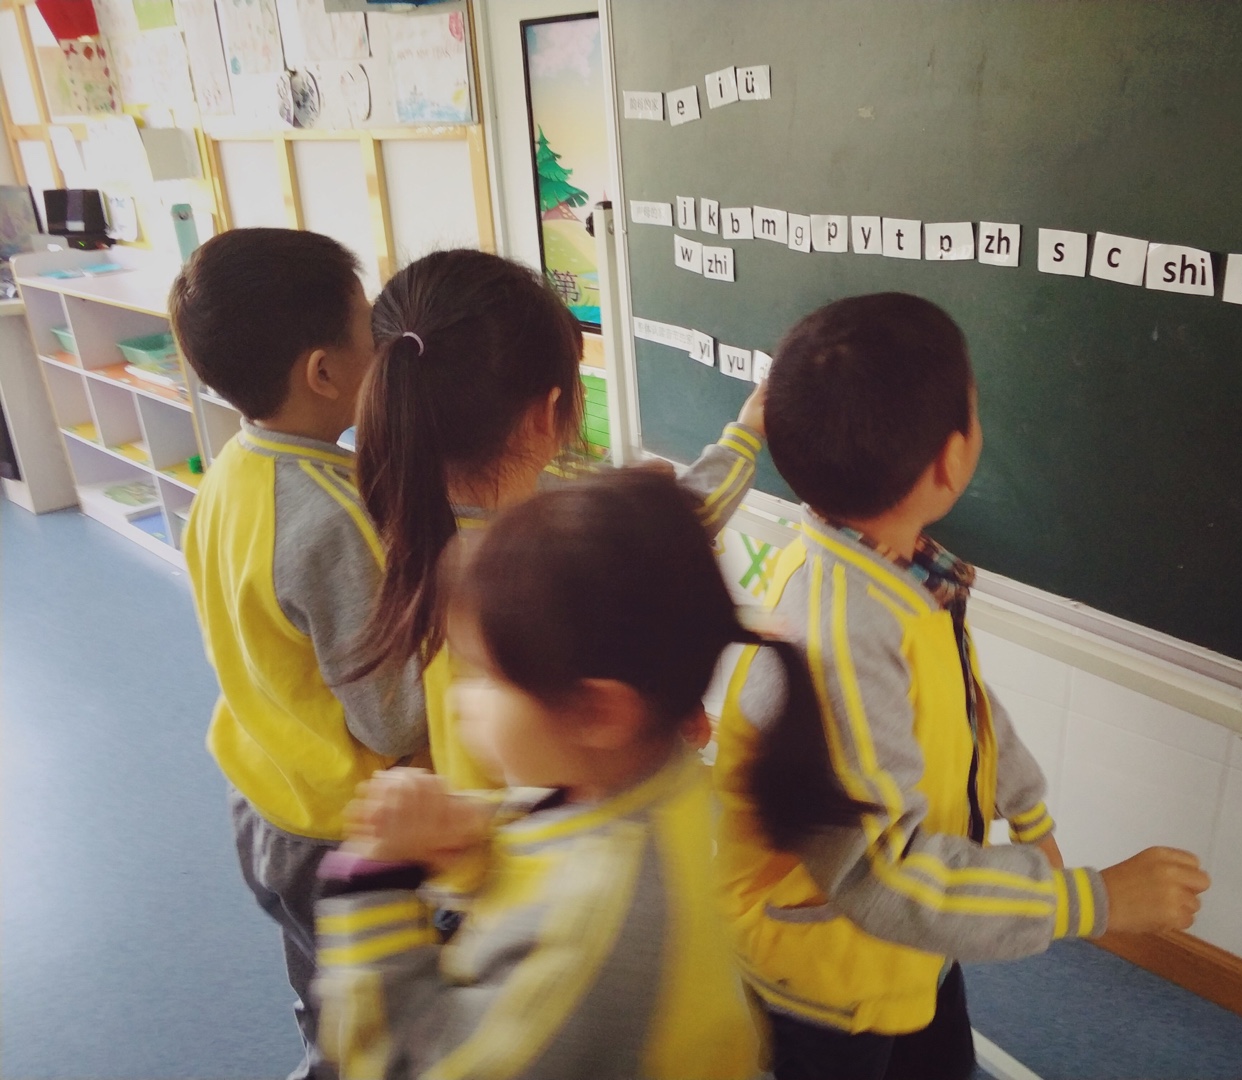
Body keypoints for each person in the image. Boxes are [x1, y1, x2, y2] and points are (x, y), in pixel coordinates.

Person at [713, 293, 1211, 1080]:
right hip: (831, 977)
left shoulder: (895, 568)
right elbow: (884, 875)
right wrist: (1095, 900)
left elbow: (963, 702)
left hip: (914, 942)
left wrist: (1026, 808)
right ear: (951, 461)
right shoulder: (841, 636)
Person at [314, 470, 793, 1078]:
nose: (460, 700)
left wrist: (374, 886)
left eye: (487, 678)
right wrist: (471, 850)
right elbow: (547, 858)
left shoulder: (584, 930)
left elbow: (410, 1066)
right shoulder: (647, 776)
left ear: (599, 713)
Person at [343, 249, 763, 790]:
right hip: (578, 812)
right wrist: (745, 436)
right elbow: (679, 528)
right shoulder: (536, 562)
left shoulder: (389, 523)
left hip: (477, 811)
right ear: (546, 414)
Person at [170, 228, 427, 1080]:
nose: (383, 346)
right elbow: (393, 718)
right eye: (368, 330)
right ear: (323, 372)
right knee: (383, 1033)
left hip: (262, 799)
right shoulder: (331, 520)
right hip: (337, 829)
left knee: (324, 998)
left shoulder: (231, 471)